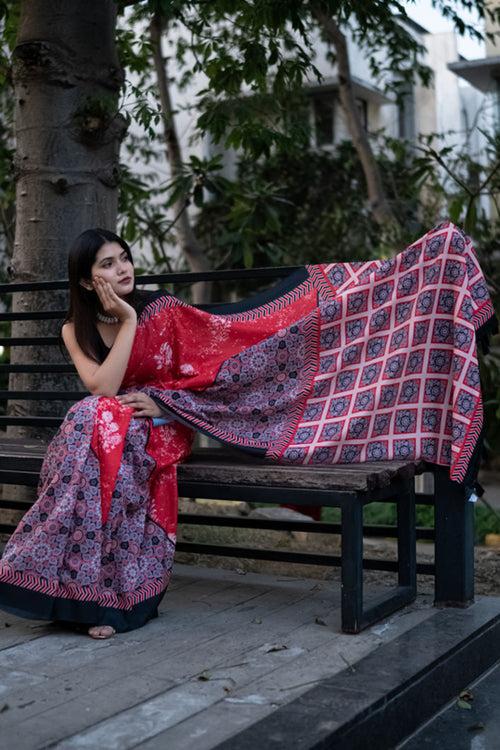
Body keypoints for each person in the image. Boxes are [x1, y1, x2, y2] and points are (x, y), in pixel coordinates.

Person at [0, 229, 195, 638]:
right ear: (88, 282)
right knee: (96, 417)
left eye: (124, 257)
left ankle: (102, 599)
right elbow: (103, 386)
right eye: (107, 264)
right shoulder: (76, 328)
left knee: (93, 419)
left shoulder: (163, 311)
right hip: (104, 438)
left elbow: (201, 378)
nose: (123, 268)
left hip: (159, 428)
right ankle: (88, 600)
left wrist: (163, 407)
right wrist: (127, 320)